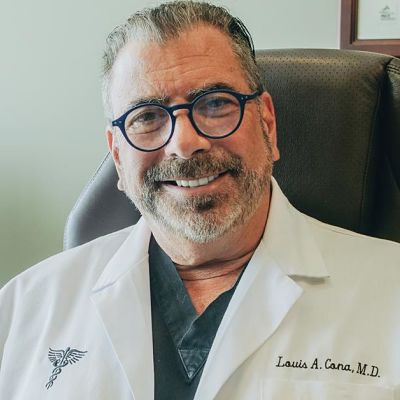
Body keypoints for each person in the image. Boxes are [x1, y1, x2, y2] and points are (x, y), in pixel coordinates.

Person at [1, 1, 399, 399]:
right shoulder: (24, 309)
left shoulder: (389, 292)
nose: (185, 143)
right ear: (118, 156)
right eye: (147, 116)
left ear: (267, 124)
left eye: (215, 104)